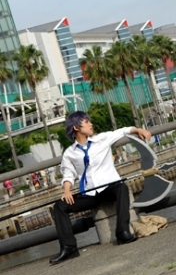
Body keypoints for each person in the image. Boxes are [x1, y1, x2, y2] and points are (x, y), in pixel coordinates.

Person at [49, 111, 152, 265]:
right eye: (86, 122)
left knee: (122, 187)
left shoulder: (102, 139)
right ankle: (69, 247)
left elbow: (122, 131)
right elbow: (68, 174)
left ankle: (122, 232)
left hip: (109, 187)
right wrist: (66, 190)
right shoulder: (70, 153)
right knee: (60, 206)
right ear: (76, 127)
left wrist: (139, 130)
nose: (91, 124)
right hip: (89, 194)